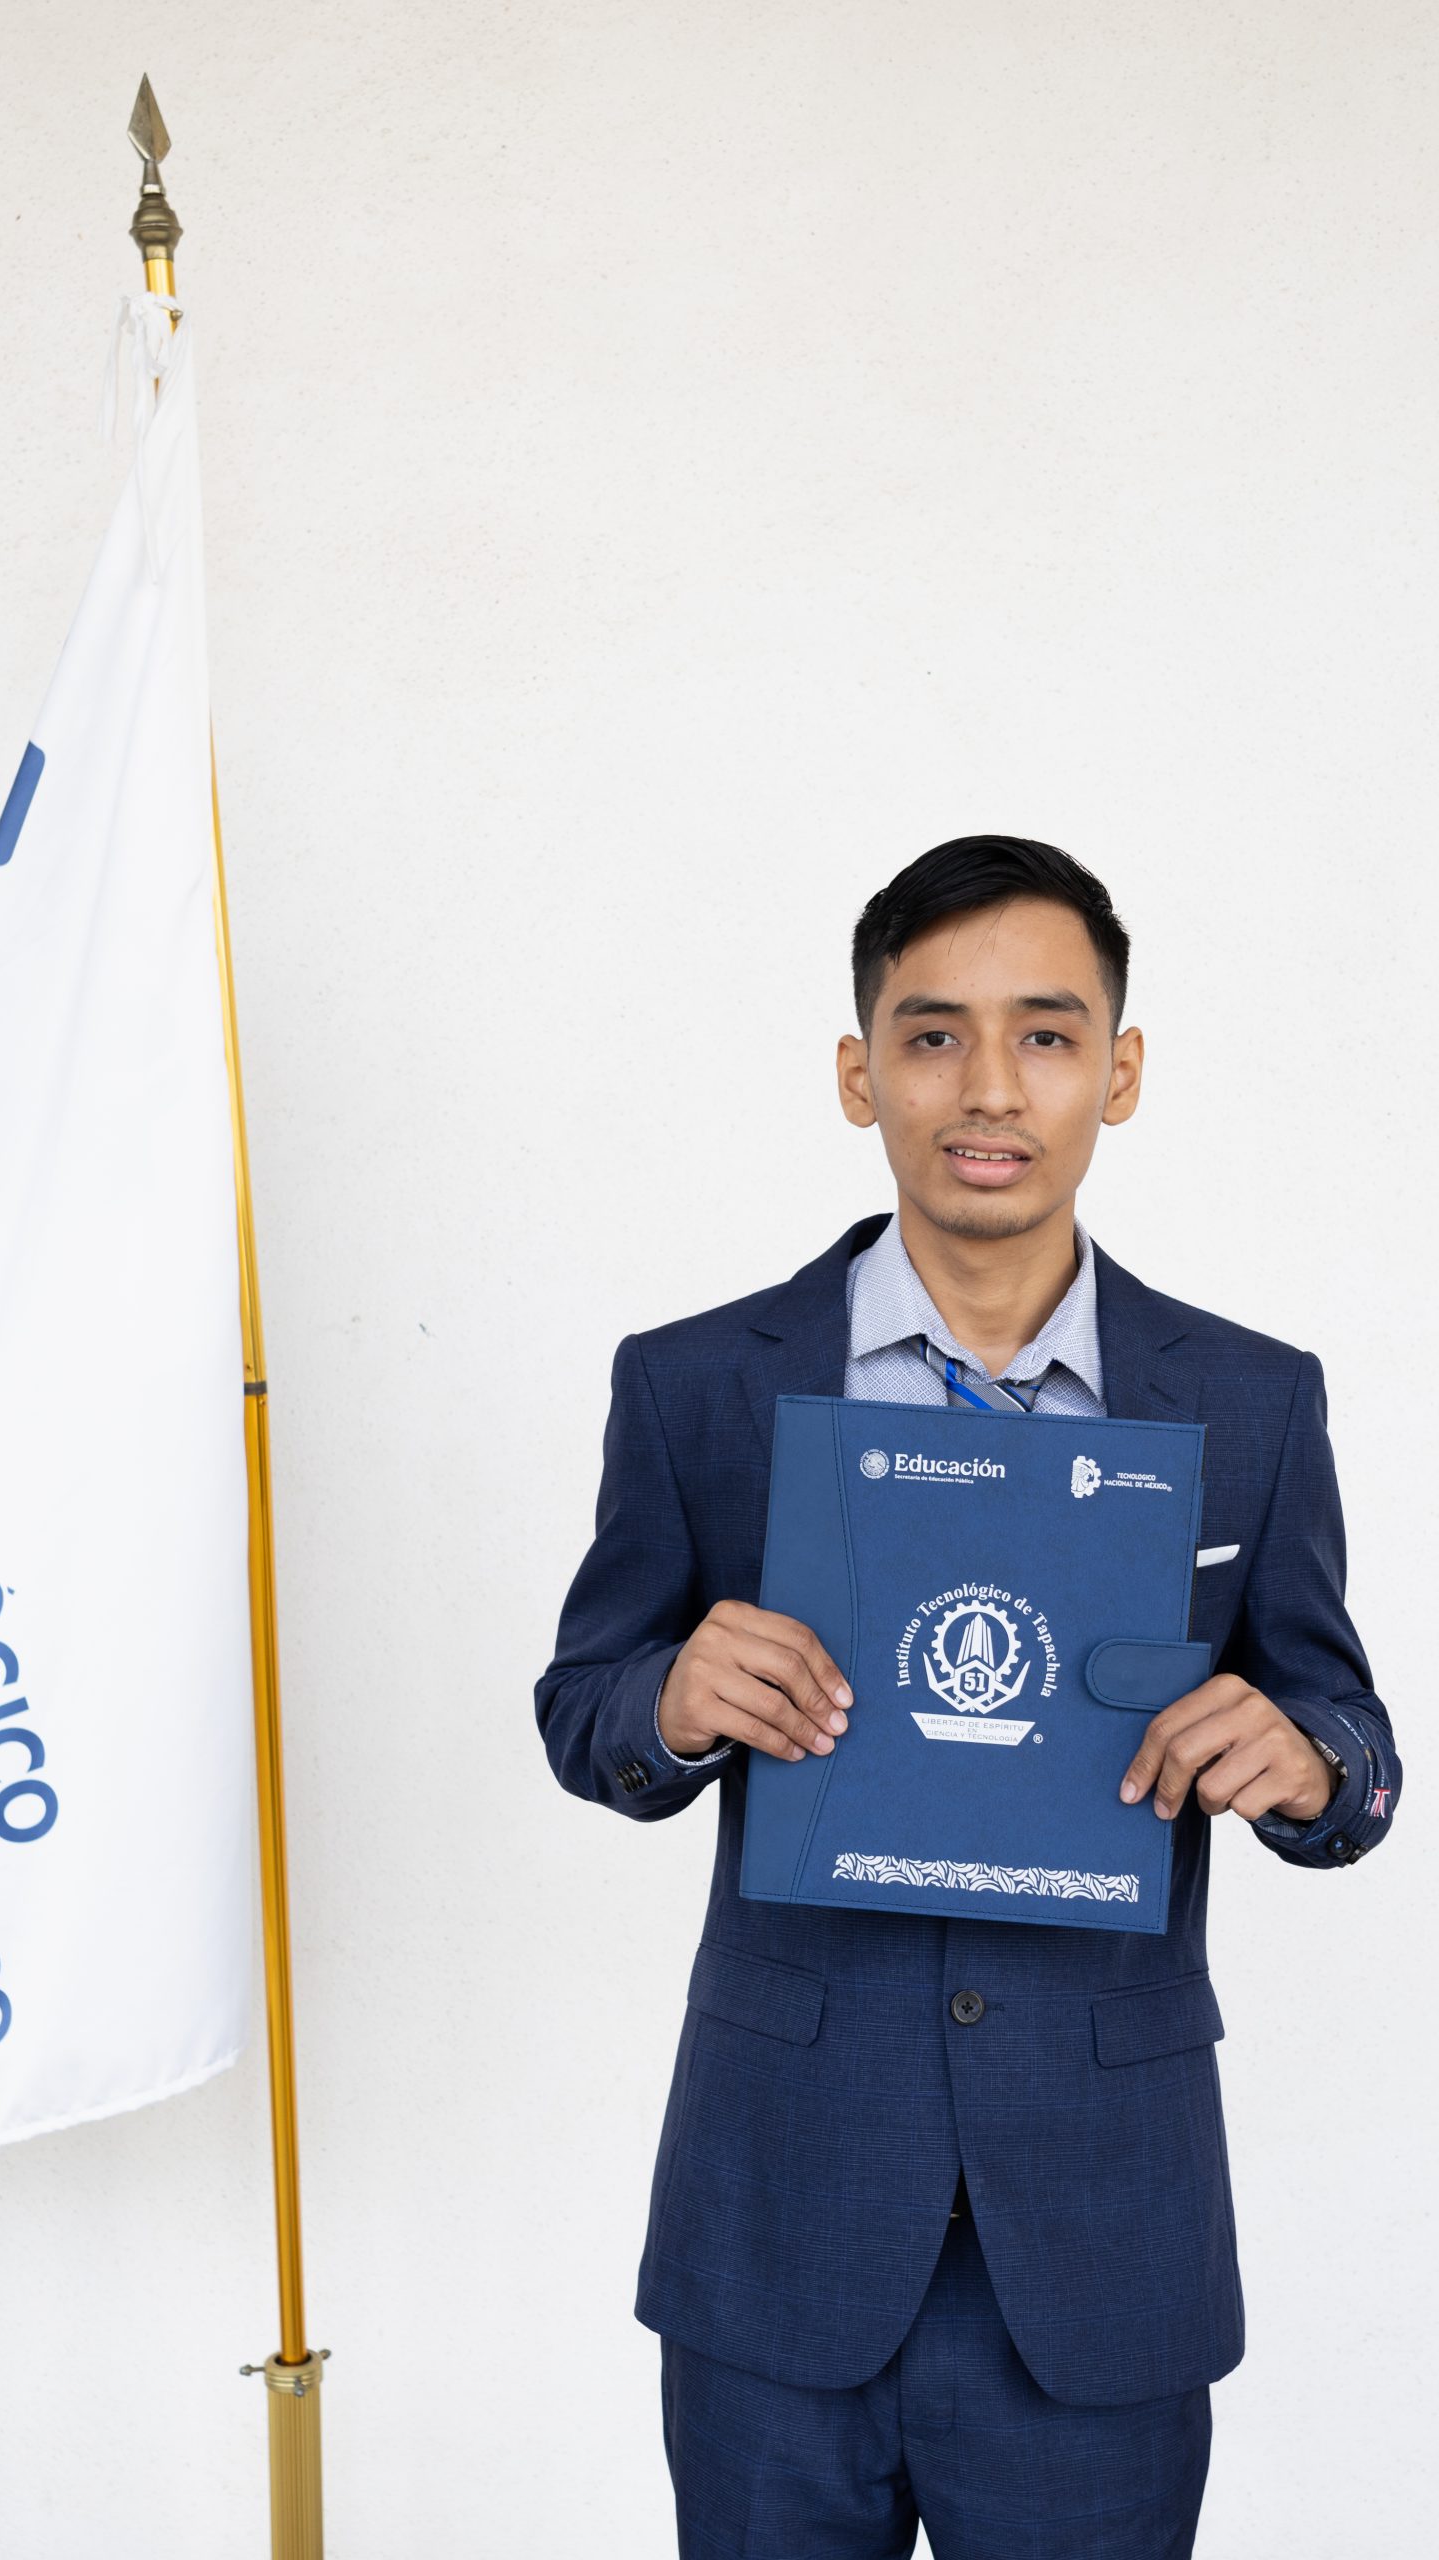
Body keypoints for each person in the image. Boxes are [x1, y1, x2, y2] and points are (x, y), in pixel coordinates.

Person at [535, 835, 1399, 2560]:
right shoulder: (700, 1385)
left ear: (1119, 1073)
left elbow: (1353, 1744)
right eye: (932, 1036)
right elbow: (585, 1708)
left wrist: (1306, 1765)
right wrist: (673, 1703)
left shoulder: (1248, 1402)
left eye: (1046, 1035)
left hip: (1100, 2235)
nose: (989, 1088)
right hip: (780, 2218)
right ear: (859, 1073)